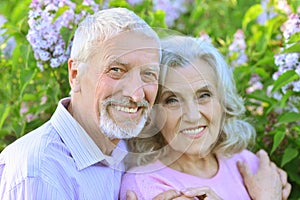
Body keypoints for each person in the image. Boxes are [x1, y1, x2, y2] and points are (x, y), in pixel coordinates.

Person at [0, 8, 162, 199]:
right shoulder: (41, 173)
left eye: (148, 74)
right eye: (116, 70)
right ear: (75, 75)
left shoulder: (125, 149)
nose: (136, 95)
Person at [120, 36, 291, 200]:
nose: (193, 116)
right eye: (172, 100)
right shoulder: (147, 184)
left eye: (203, 95)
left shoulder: (248, 163)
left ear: (223, 102)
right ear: (152, 114)